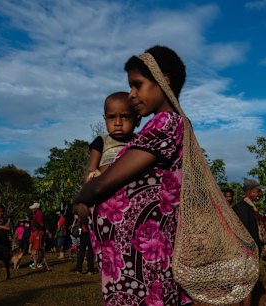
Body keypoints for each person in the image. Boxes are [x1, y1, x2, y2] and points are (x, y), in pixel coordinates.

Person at [73, 45, 189, 305]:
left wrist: (81, 198)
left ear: (163, 82)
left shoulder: (167, 122)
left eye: (137, 85)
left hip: (142, 264)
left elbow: (105, 183)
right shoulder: (161, 125)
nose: (131, 94)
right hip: (131, 260)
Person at [83, 91, 140, 183]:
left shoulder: (140, 141)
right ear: (105, 119)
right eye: (111, 117)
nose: (118, 123)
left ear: (137, 120)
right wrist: (89, 182)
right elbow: (91, 169)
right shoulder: (102, 141)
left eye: (125, 116)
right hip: (107, 189)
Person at [233, 179, 265, 306]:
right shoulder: (243, 208)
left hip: (249, 251)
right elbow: (242, 232)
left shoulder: (249, 207)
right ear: (250, 191)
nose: (259, 193)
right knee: (245, 284)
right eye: (258, 190)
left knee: (245, 284)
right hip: (246, 252)